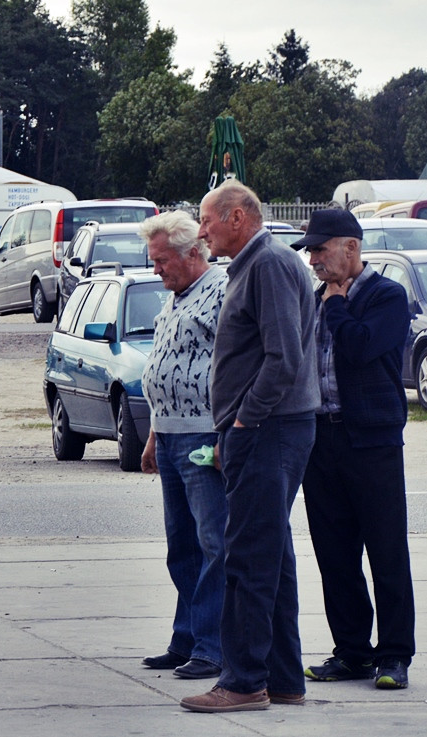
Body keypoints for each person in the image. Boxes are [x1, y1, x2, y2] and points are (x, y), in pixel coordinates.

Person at [181, 181, 319, 712]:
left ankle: (242, 683)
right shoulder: (255, 265)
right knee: (272, 556)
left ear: (238, 217)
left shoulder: (268, 265)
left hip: (268, 431)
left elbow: (282, 358)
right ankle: (283, 677)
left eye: (208, 221)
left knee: (249, 558)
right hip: (265, 430)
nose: (202, 231)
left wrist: (242, 423)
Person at [292, 210, 415, 690]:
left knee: (386, 552)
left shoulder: (387, 295)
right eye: (312, 252)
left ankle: (394, 656)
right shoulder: (313, 296)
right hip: (322, 440)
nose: (316, 260)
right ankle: (351, 652)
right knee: (334, 554)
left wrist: (337, 304)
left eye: (322, 250)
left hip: (373, 441)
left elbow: (362, 346)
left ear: (351, 247)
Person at [137, 211, 228, 681]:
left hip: (203, 433)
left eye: (161, 260)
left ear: (193, 252)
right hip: (171, 432)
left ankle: (214, 647)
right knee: (183, 546)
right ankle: (188, 638)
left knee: (214, 543)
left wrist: (224, 435)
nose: (156, 270)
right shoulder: (176, 297)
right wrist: (154, 433)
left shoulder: (220, 291)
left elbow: (233, 365)